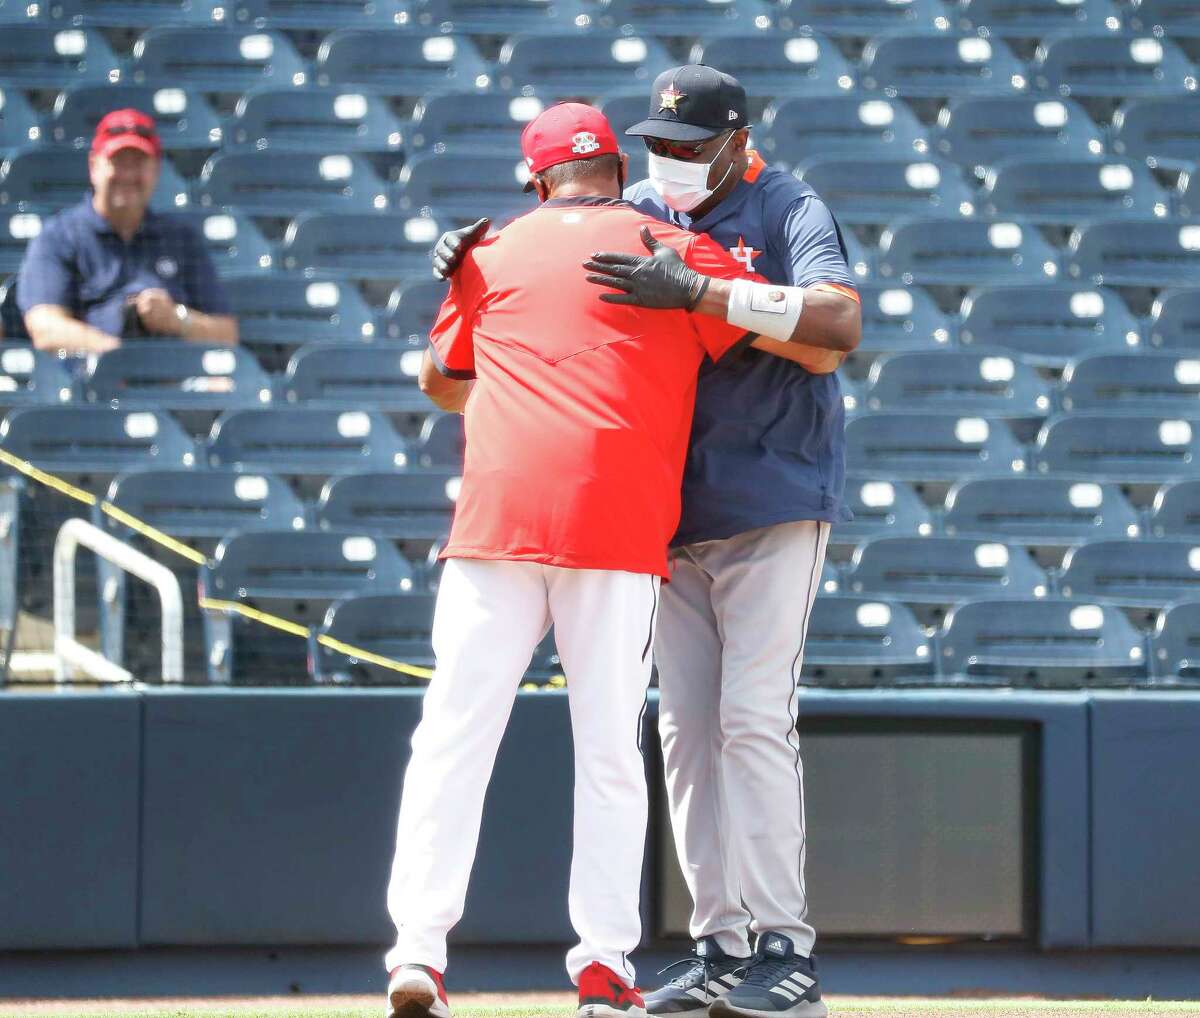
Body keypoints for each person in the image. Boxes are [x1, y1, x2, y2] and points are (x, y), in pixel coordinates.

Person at [383, 101, 843, 1018]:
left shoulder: (494, 247)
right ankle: (602, 969)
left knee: (451, 740)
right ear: (614, 166)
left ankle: (418, 956)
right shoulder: (665, 244)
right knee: (611, 755)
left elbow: (441, 386)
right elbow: (819, 346)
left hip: (495, 527)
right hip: (619, 530)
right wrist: (702, 294)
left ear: (537, 177)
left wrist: (462, 279)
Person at [17, 108, 237, 355]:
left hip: (175, 379)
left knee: (222, 383)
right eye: (118, 161)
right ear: (94, 166)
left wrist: (177, 318)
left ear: (155, 171)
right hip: (89, 382)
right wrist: (119, 357)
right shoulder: (59, 237)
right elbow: (46, 328)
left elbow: (227, 335)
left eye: (139, 163)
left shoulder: (181, 239)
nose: (128, 175)